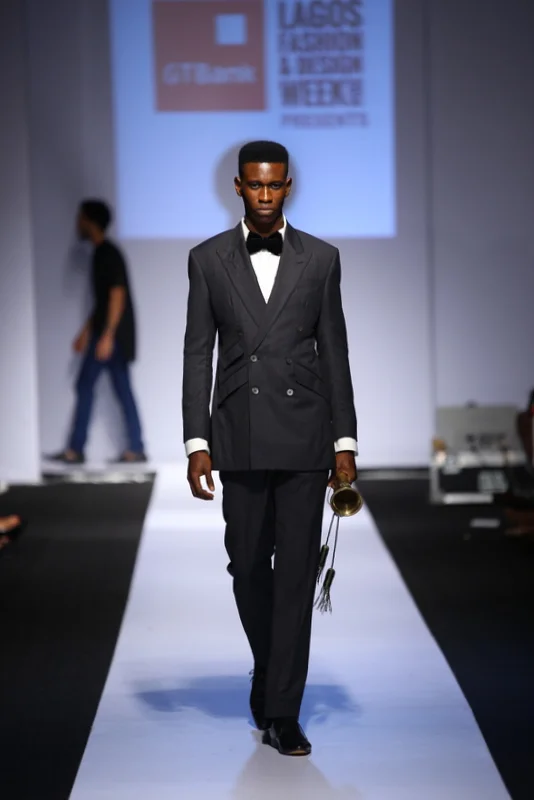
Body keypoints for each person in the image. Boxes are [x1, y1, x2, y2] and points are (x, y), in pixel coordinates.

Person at [182, 141, 358, 756]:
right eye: (254, 185)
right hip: (239, 432)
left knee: (296, 576)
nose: (264, 195)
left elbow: (335, 351)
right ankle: (270, 666)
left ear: (288, 186)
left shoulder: (321, 259)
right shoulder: (206, 259)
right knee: (248, 565)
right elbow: (197, 352)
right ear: (238, 186)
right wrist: (197, 441)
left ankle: (283, 710)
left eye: (274, 185)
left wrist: (344, 441)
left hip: (306, 434)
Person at [49, 200, 147, 464]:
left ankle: (77, 449)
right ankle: (134, 447)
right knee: (117, 388)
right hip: (110, 334)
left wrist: (107, 336)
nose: (77, 224)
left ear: (91, 221)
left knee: (90, 385)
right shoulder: (102, 253)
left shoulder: (107, 254)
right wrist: (86, 331)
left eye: (81, 218)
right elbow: (104, 302)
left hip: (111, 336)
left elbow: (117, 295)